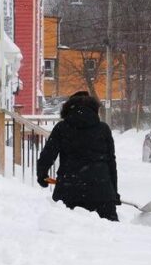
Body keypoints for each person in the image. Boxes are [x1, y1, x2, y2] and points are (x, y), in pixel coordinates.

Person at [36, 91, 120, 221]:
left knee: (67, 235)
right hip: (101, 192)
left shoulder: (62, 128)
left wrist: (42, 174)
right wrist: (113, 193)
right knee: (109, 237)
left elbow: (48, 154)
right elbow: (111, 163)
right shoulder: (103, 129)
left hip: (69, 190)